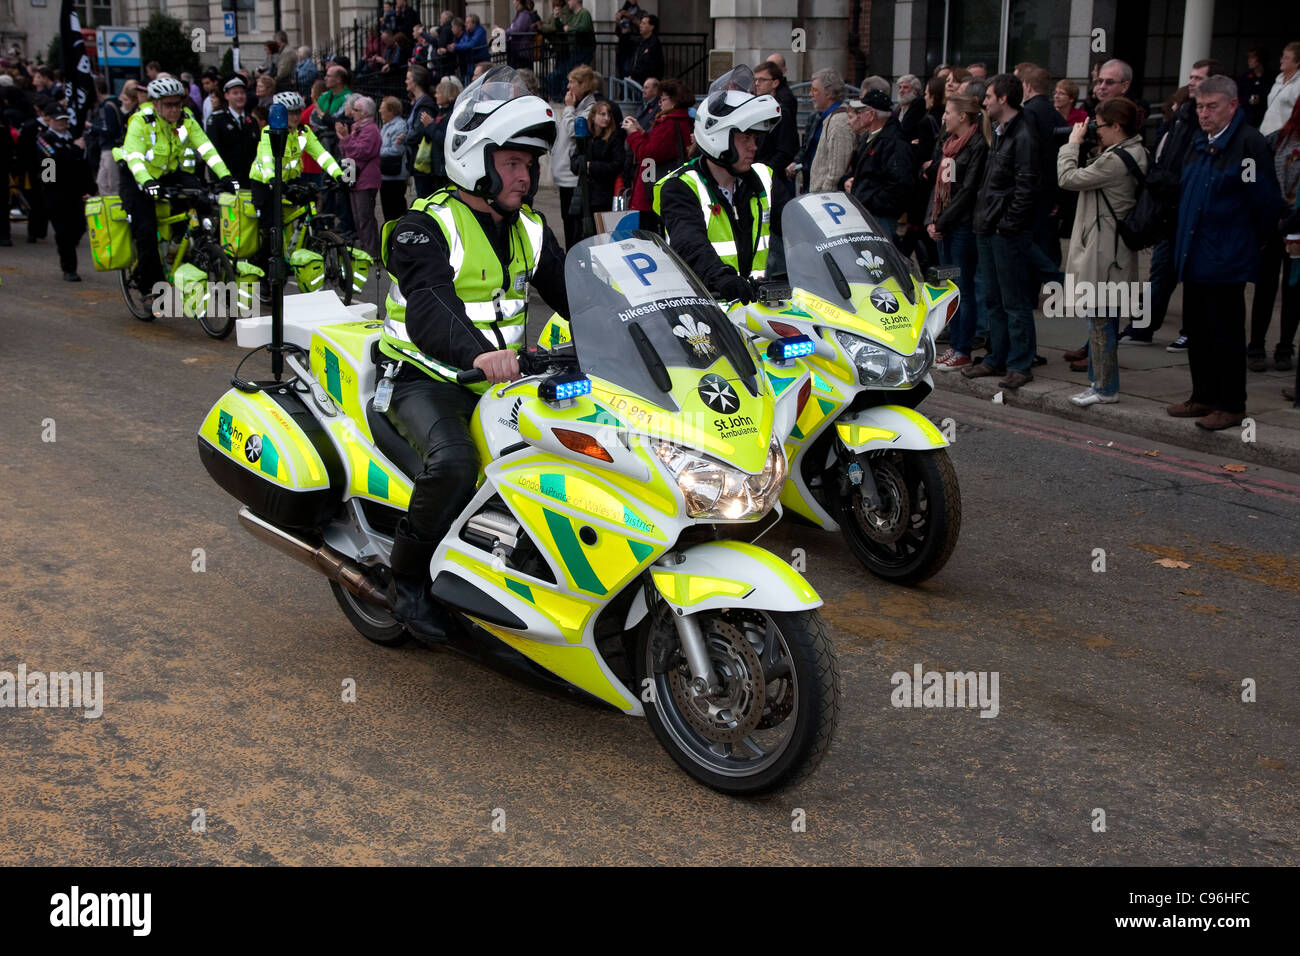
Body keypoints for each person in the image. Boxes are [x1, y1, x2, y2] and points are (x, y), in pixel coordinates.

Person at [377, 67, 569, 640]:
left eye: (529, 165)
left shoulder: (531, 228)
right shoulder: (423, 226)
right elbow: (432, 305)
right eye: (512, 163)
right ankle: (405, 583)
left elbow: (578, 296)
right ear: (475, 161)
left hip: (503, 381)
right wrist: (483, 353)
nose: (525, 176)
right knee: (457, 463)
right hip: (424, 378)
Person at [1167, 75, 1282, 430]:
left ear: (1233, 105)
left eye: (1212, 106)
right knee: (1198, 332)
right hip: (1195, 252)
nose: (1204, 114)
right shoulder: (1199, 142)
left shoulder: (1248, 145)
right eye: (1200, 106)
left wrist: (1248, 243)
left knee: (1226, 334)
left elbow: (1263, 202)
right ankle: (1202, 396)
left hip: (1226, 256)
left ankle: (1231, 404)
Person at [652, 65, 781, 301]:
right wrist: (721, 276)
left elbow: (797, 227)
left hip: (755, 307)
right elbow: (689, 242)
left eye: (755, 138)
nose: (754, 146)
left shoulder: (761, 179)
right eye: (745, 138)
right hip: (707, 309)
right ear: (718, 137)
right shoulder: (681, 186)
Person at [1055, 98, 1149, 406]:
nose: (1097, 131)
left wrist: (1071, 144)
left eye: (1101, 125)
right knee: (1102, 320)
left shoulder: (1116, 160)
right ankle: (1098, 383)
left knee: (1099, 321)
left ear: (1117, 126)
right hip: (1111, 250)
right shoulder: (1135, 152)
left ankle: (1105, 388)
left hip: (1104, 252)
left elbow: (1068, 178)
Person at [113, 76, 234, 307]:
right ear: (156, 104)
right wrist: (147, 182)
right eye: (168, 105)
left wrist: (225, 175)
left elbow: (206, 148)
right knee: (146, 230)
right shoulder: (141, 120)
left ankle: (191, 244)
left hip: (167, 172)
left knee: (202, 197)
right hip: (135, 176)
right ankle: (149, 285)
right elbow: (135, 157)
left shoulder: (185, 119)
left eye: (178, 104)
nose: (174, 109)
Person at [962, 73, 1041, 390]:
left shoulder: (1023, 135)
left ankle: (1020, 363)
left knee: (1015, 300)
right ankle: (997, 357)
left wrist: (1007, 225)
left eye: (990, 96)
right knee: (993, 298)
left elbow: (1026, 187)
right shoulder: (1002, 132)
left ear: (1004, 99)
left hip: (1005, 231)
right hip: (988, 226)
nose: (984, 102)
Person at [248, 90, 345, 276]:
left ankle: (298, 248)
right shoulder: (270, 132)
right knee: (271, 230)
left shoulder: (303, 132)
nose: (294, 116)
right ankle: (262, 271)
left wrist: (338, 174)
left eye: (297, 112)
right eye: (289, 112)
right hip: (264, 182)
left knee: (309, 202)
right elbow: (267, 158)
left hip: (290, 179)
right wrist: (272, 179)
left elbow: (321, 154)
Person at [927, 93, 987, 371]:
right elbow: (937, 188)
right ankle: (954, 345)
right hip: (945, 225)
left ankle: (963, 347)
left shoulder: (977, 145)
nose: (944, 116)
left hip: (962, 227)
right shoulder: (948, 144)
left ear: (963, 116)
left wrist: (942, 222)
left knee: (963, 288)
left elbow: (968, 191)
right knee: (951, 288)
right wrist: (932, 219)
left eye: (949, 112)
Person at [1248, 94, 1300, 371]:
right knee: (1265, 288)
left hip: (1298, 230)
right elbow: (1260, 179)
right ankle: (1256, 345)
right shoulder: (1276, 140)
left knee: (1294, 291)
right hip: (1272, 224)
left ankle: (1285, 348)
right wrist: (1276, 214)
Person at [841, 88, 914, 242]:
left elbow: (899, 186)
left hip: (880, 217)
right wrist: (849, 181)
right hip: (867, 211)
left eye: (860, 111)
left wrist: (868, 200)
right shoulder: (869, 137)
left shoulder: (894, 142)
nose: (857, 116)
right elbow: (862, 172)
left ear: (871, 114)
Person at [623, 77, 692, 233]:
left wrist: (634, 134)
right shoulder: (680, 120)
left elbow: (648, 154)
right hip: (660, 185)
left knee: (648, 235)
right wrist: (642, 133)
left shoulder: (668, 123)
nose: (660, 103)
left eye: (663, 99)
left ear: (674, 102)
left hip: (652, 189)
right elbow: (659, 147)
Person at [35, 103, 94, 281]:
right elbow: (49, 169)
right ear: (49, 120)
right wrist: (73, 150)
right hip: (56, 194)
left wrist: (90, 188)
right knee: (63, 232)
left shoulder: (74, 138)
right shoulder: (44, 139)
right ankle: (69, 268)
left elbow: (83, 166)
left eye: (65, 120)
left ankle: (69, 250)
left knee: (79, 227)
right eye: (58, 120)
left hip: (75, 193)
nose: (62, 123)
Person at [557, 64, 606, 246]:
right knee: (567, 224)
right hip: (563, 176)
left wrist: (569, 108)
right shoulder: (577, 106)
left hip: (573, 177)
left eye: (573, 82)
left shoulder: (589, 108)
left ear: (584, 84)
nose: (569, 87)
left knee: (574, 227)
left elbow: (574, 131)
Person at [788, 69, 851, 193]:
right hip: (813, 189)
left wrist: (823, 195)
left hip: (824, 196)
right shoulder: (822, 117)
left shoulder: (840, 122)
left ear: (829, 93)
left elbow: (836, 170)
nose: (811, 94)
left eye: (815, 90)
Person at [337, 94, 381, 257]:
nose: (352, 112)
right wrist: (345, 139)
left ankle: (371, 252)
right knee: (357, 217)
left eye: (356, 110)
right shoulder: (357, 128)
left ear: (365, 113)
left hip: (366, 180)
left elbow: (362, 152)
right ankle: (365, 249)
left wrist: (346, 139)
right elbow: (347, 150)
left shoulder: (370, 130)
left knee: (365, 218)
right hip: (354, 177)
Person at [572, 99, 626, 214]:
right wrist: (581, 165)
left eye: (608, 115)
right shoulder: (585, 138)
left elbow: (617, 164)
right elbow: (574, 163)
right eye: (602, 114)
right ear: (593, 116)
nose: (606, 118)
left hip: (603, 194)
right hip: (584, 193)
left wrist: (591, 167)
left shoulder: (614, 138)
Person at [206, 77, 260, 183]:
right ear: (226, 96)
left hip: (249, 180)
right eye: (235, 93)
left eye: (242, 93)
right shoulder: (217, 120)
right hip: (226, 180)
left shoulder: (252, 121)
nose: (240, 96)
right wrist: (216, 180)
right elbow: (212, 152)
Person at [403, 64, 438, 197]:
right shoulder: (419, 102)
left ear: (416, 81)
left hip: (423, 159)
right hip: (417, 157)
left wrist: (405, 138)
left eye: (408, 78)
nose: (406, 81)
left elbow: (419, 131)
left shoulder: (425, 104)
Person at [378, 95, 409, 223]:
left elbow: (397, 150)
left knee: (396, 210)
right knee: (387, 209)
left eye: (382, 108)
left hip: (396, 176)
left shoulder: (399, 126)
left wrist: (377, 151)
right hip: (385, 175)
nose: (379, 110)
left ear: (391, 110)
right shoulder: (385, 126)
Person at [1260, 42, 1300, 137]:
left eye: (1286, 58)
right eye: (1282, 57)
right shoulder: (1279, 80)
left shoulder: (1298, 84)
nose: (1281, 61)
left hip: (1282, 138)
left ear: (1297, 62)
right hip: (1265, 133)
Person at [1238, 48, 1270, 128]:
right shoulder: (1244, 77)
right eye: (1249, 58)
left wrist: (1261, 99)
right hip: (1246, 118)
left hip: (1263, 119)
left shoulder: (1271, 78)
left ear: (1260, 59)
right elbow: (1237, 96)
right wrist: (1247, 100)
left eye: (1252, 58)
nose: (1249, 60)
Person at [627, 14, 663, 86]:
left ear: (651, 27)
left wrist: (635, 75)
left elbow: (648, 65)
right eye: (641, 23)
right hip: (636, 80)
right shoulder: (640, 42)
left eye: (644, 23)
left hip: (647, 82)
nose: (640, 25)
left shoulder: (654, 43)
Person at [505, 0, 537, 70]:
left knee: (522, 74)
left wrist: (504, 32)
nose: (514, 3)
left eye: (516, 1)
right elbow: (513, 28)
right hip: (518, 51)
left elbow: (517, 29)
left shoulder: (524, 15)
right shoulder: (520, 14)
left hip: (522, 52)